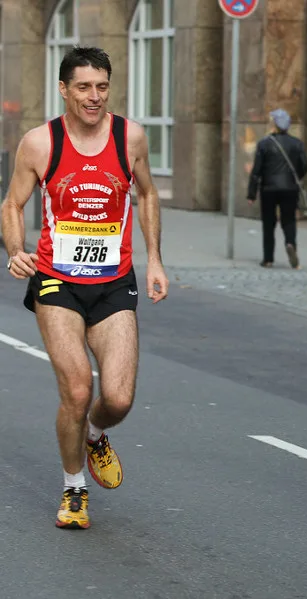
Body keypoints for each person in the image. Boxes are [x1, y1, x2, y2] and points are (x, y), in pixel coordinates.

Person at [0, 46, 169, 529]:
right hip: (56, 280)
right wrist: (16, 250)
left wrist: (155, 258)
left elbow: (148, 193)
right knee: (77, 388)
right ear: (63, 89)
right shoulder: (40, 143)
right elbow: (11, 204)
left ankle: (96, 434)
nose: (93, 97)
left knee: (117, 398)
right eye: (83, 87)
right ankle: (74, 490)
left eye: (101, 86)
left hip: (115, 281)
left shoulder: (129, 137)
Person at [247, 109, 307, 269]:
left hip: (268, 189)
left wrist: (251, 193)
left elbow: (256, 171)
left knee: (268, 223)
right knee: (289, 220)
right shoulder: (297, 143)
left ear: (273, 124)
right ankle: (290, 245)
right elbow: (304, 165)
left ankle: (268, 259)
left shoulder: (264, 144)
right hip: (290, 188)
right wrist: (296, 178)